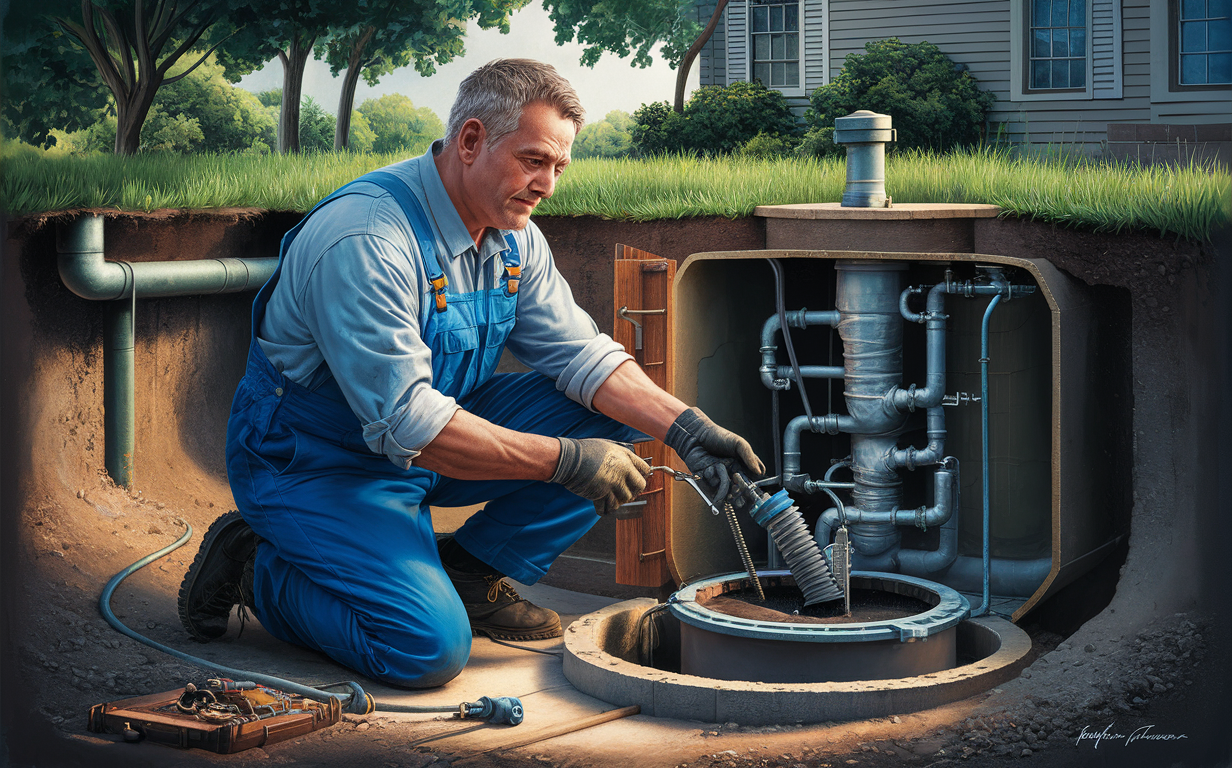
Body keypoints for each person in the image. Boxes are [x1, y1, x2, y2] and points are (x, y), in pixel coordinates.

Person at [178, 58, 762, 688]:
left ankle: (470, 571)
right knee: (426, 648)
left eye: (558, 167)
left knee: (616, 412)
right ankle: (254, 569)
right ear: (471, 140)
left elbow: (581, 356)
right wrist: (566, 461)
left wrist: (686, 427)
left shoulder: (515, 236)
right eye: (535, 160)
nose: (548, 186)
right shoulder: (366, 240)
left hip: (427, 448)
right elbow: (411, 421)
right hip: (317, 466)